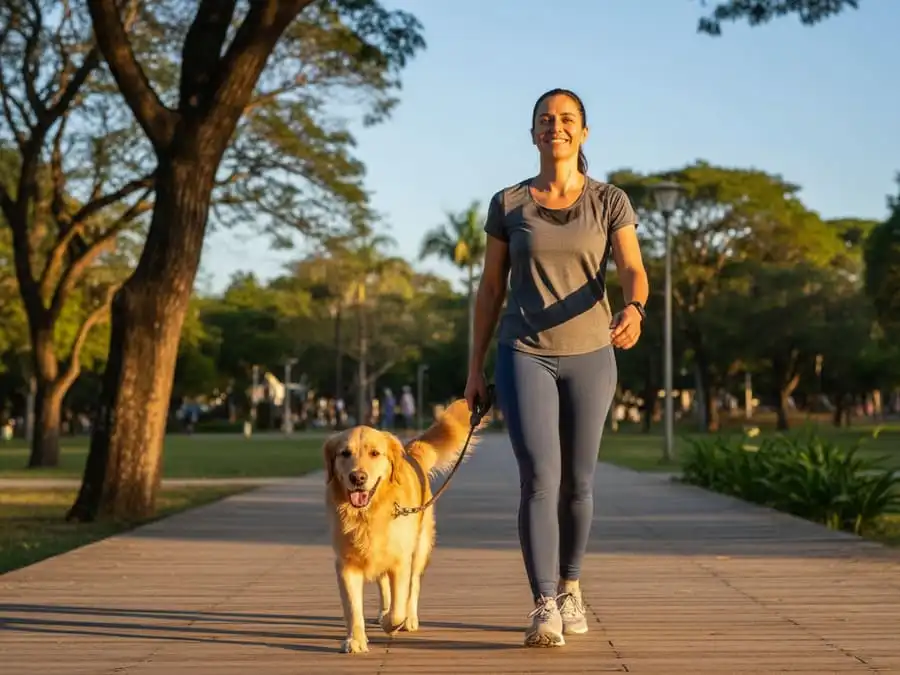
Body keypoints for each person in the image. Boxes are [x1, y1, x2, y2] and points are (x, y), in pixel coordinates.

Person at [464, 88, 649, 648]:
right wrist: (474, 368)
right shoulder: (509, 202)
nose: (557, 127)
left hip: (593, 355)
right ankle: (543, 602)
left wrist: (635, 307)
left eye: (568, 119)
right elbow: (491, 288)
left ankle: (571, 585)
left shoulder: (609, 200)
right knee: (540, 477)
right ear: (533, 132)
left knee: (579, 482)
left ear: (584, 133)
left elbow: (633, 268)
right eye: (547, 119)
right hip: (525, 353)